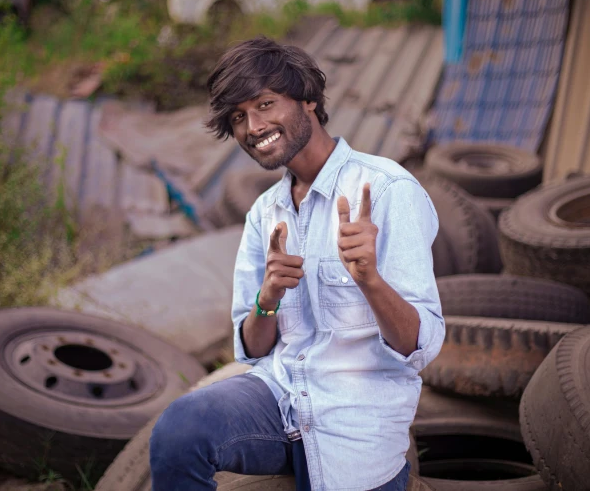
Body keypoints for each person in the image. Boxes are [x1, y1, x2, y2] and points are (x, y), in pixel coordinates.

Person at [149, 36, 444, 491]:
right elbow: (253, 349)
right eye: (239, 117)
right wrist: (266, 299)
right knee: (180, 430)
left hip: (355, 420)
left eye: (265, 103)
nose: (253, 126)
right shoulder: (265, 213)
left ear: (308, 100)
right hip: (280, 398)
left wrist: (369, 280)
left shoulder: (386, 190)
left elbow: (420, 347)